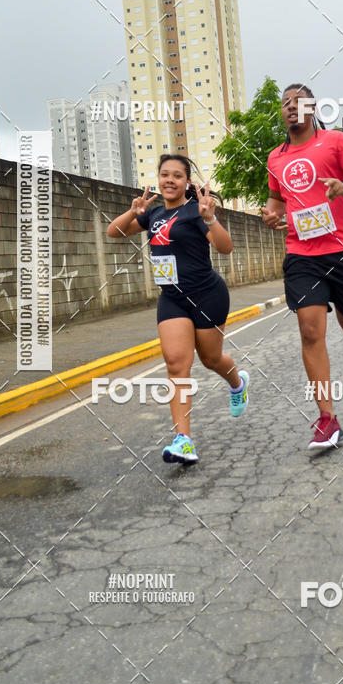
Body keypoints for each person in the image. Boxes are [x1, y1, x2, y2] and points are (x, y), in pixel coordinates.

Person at [107, 154, 249, 465]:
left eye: (176, 176)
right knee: (176, 365)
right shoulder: (152, 214)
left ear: (187, 182)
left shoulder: (196, 211)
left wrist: (210, 218)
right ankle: (183, 440)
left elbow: (225, 247)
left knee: (211, 359)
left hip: (207, 295)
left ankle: (237, 383)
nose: (169, 180)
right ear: (158, 180)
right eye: (164, 175)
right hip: (172, 297)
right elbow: (113, 233)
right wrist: (132, 212)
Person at [261, 83, 343, 451]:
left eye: (299, 103)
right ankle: (327, 419)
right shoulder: (275, 158)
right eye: (285, 104)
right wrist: (271, 215)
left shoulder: (336, 142)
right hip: (302, 254)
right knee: (310, 329)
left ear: (313, 109)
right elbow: (276, 202)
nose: (291, 108)